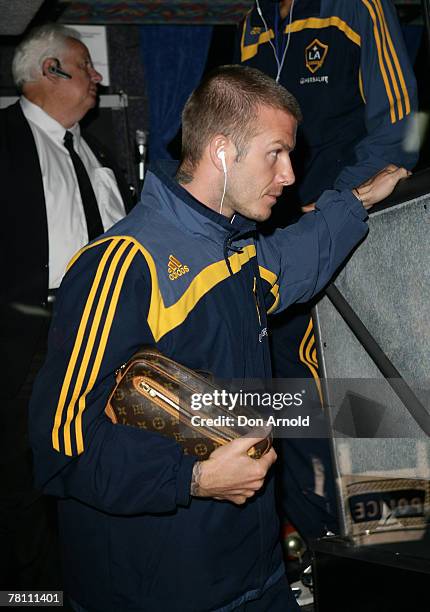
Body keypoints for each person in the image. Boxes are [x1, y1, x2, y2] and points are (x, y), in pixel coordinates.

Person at [29, 65, 407, 612]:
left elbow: (299, 255)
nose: (288, 174)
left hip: (254, 575)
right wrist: (194, 478)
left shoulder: (237, 251)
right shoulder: (122, 264)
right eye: (275, 154)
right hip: (159, 591)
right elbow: (61, 444)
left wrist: (358, 201)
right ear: (223, 150)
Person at [237, 0, 418, 540]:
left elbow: (404, 128)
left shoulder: (355, 6)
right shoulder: (254, 21)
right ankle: (318, 552)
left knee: (366, 405)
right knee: (294, 409)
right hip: (278, 242)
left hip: (351, 236)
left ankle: (392, 549)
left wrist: (338, 203)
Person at [0, 24, 132, 590]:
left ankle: (93, 586)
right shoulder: (3, 140)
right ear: (50, 71)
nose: (99, 76)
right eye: (86, 65)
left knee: (95, 458)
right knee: (21, 477)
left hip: (103, 330)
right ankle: (34, 595)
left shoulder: (93, 147)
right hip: (27, 338)